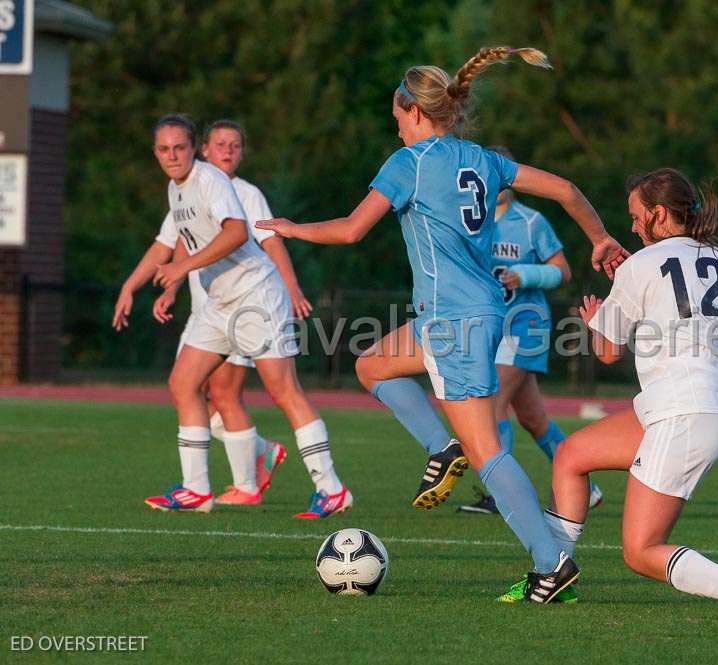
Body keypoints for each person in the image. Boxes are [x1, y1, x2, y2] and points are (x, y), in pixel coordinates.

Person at [257, 46, 628, 602]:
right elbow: (568, 190)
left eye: (397, 119)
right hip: (471, 314)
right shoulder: (482, 159)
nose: (397, 130)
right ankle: (440, 448)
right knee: (372, 364)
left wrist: (290, 228)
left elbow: (352, 230)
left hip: (454, 322)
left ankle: (552, 563)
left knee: (489, 452)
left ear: (414, 112)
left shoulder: (409, 163)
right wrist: (599, 237)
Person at [501, 167, 718, 611]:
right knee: (571, 457)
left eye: (635, 215)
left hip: (681, 413)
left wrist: (594, 321)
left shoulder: (640, 266)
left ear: (659, 214)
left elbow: (607, 352)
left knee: (641, 551)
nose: (630, 225)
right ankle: (552, 573)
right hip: (698, 408)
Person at [140, 114, 350, 518]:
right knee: (183, 383)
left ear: (193, 148)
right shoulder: (176, 187)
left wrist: (180, 270)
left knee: (283, 390)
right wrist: (168, 283)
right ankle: (195, 489)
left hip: (255, 295)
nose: (172, 155)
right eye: (164, 149)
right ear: (156, 153)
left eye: (179, 147)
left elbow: (237, 233)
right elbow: (184, 243)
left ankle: (331, 488)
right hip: (219, 304)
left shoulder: (210, 181)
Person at [114, 119, 307, 505]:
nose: (228, 151)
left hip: (246, 302)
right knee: (191, 388)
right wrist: (161, 287)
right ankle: (241, 468)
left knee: (222, 392)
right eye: (221, 144)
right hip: (209, 307)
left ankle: (246, 478)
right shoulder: (183, 187)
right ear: (205, 148)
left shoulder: (242, 193)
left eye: (235, 145)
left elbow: (268, 242)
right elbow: (176, 242)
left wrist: (291, 288)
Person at [457, 145, 602, 515]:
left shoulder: (531, 222)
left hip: (526, 324)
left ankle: (500, 493)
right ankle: (591, 488)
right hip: (491, 326)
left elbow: (563, 270)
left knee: (492, 402)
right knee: (533, 419)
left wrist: (527, 274)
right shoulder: (472, 220)